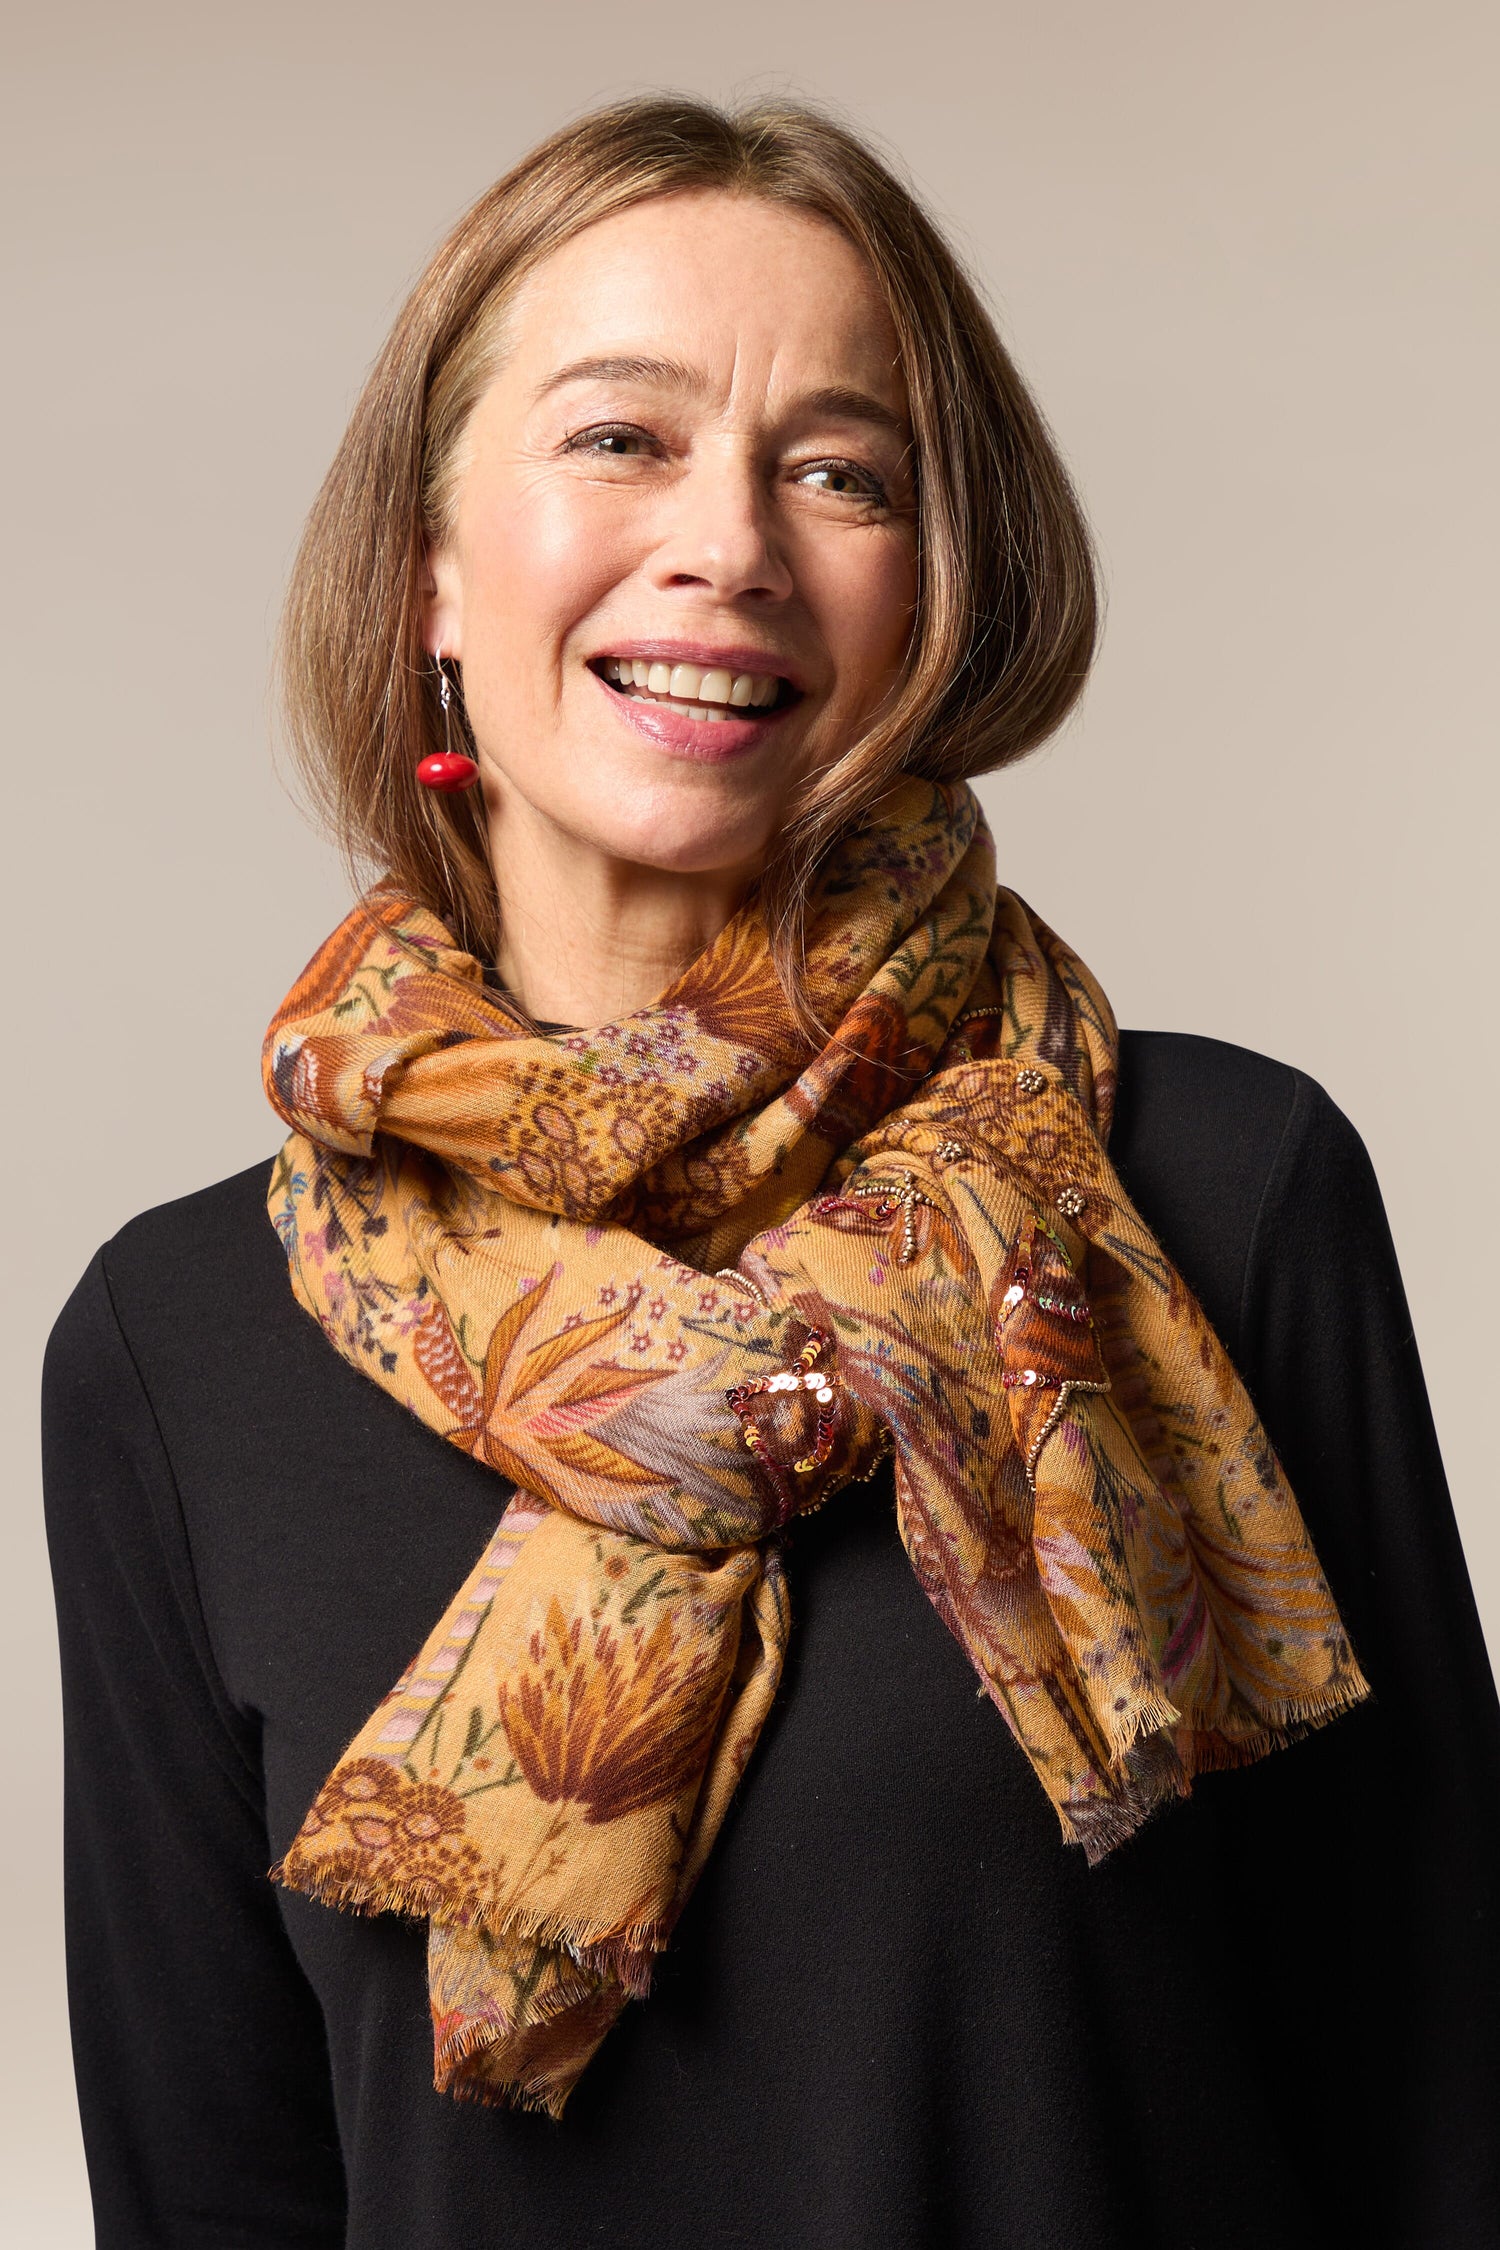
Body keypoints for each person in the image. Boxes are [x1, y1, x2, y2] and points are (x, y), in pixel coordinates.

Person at [42, 95, 1500, 2250]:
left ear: (923, 597)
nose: (731, 541)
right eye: (621, 439)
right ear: (431, 568)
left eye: (841, 470)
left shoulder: (1220, 1192)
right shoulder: (174, 1350)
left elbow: (1439, 2111)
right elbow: (216, 2185)